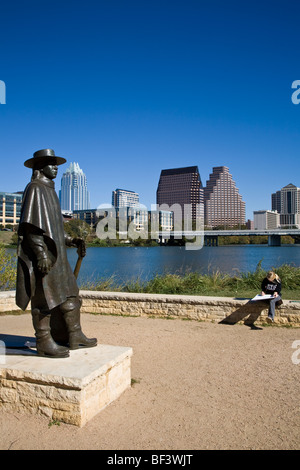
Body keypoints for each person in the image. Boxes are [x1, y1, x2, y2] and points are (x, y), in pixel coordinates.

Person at [16, 149, 97, 358]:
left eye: (56, 164)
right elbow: (31, 228)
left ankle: (74, 334)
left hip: (58, 258)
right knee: (43, 299)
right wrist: (41, 254)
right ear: (40, 166)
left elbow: (54, 228)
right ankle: (43, 341)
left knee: (71, 295)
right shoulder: (34, 188)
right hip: (44, 257)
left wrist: (71, 240)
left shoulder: (50, 190)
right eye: (51, 164)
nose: (56, 168)